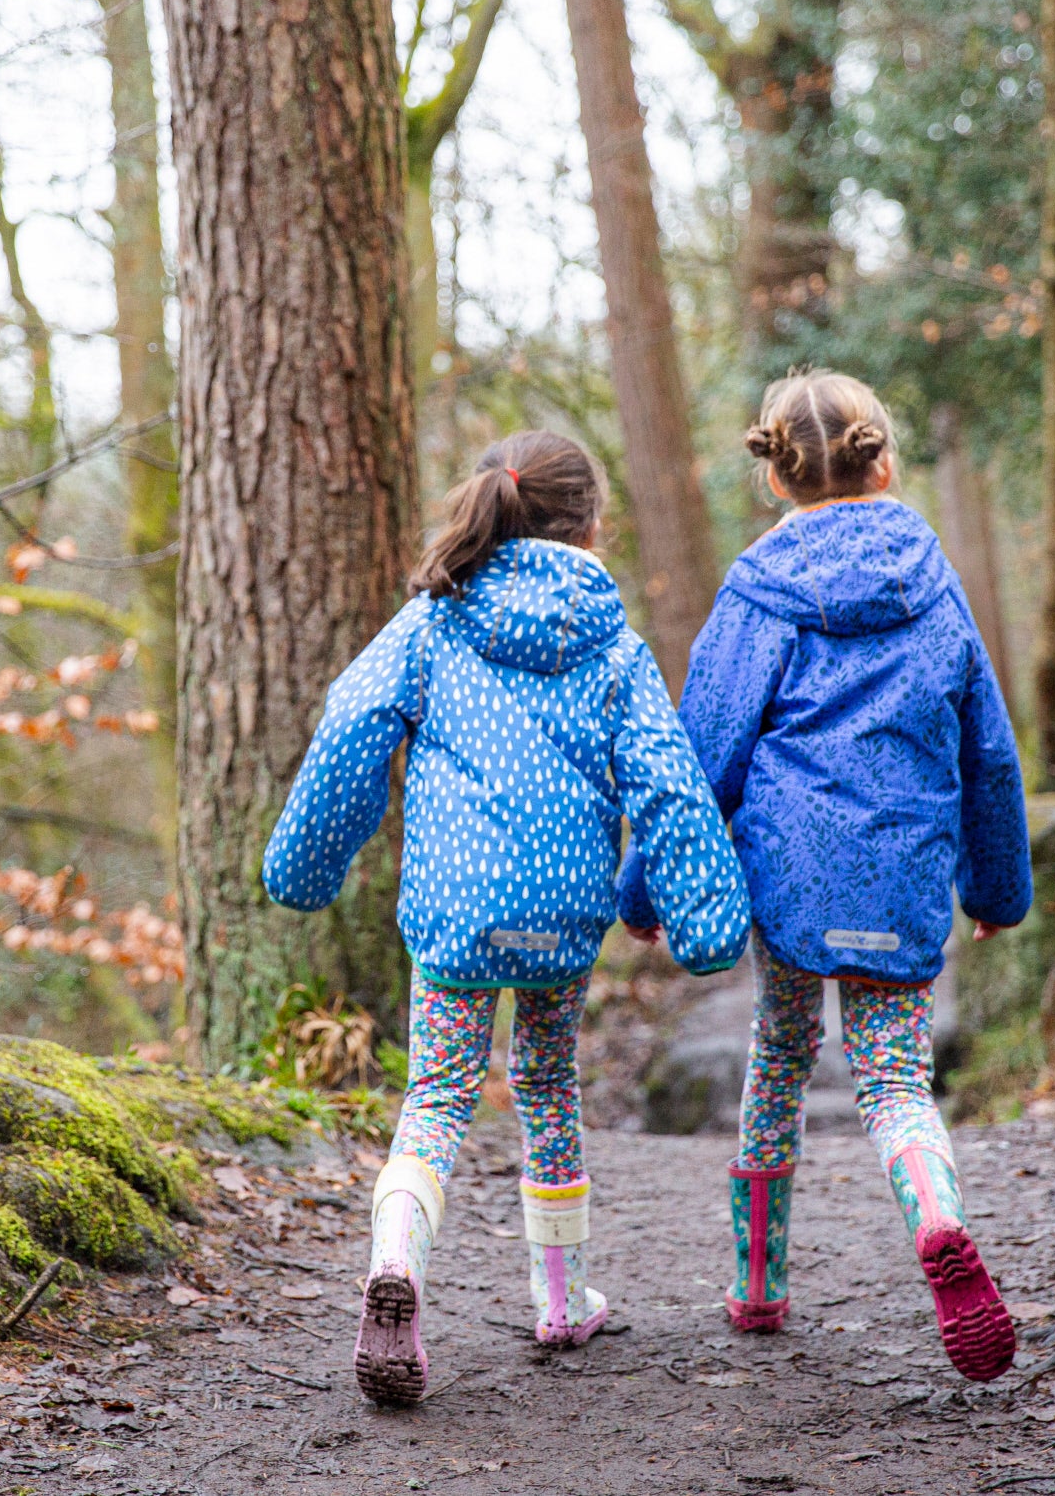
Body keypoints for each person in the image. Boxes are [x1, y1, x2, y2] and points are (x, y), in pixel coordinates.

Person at [263, 428, 749, 1408]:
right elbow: (666, 780)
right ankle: (561, 1298)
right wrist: (704, 918)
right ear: (591, 525)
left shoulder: (430, 624)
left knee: (436, 1097)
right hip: (561, 914)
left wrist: (306, 865)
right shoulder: (611, 642)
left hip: (453, 907)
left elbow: (349, 729)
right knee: (545, 1085)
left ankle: (394, 1259)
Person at [619, 370, 1034, 1383]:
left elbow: (701, 753)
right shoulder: (931, 582)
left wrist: (641, 888)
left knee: (780, 1057)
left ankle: (758, 1286)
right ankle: (935, 1213)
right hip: (900, 873)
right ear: (882, 461)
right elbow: (987, 749)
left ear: (774, 478)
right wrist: (995, 888)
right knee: (894, 1078)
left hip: (792, 878)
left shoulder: (757, 592)